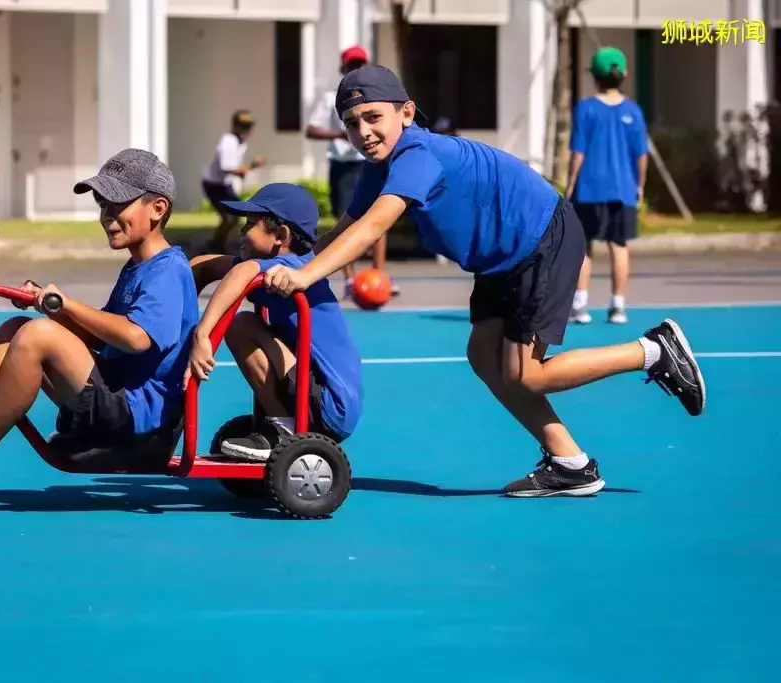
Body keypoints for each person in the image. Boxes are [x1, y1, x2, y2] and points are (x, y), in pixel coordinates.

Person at [260, 64, 706, 497]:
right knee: (483, 355)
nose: (363, 132)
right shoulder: (380, 166)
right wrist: (287, 265)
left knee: (525, 375)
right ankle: (570, 464)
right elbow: (347, 227)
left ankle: (652, 351)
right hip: (502, 259)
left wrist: (305, 276)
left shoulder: (417, 154)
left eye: (373, 117)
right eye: (352, 123)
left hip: (539, 239)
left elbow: (373, 227)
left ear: (406, 113)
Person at [0, 149, 200, 496]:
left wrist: (67, 305)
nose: (107, 215)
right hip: (118, 397)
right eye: (102, 204)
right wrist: (50, 307)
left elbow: (136, 338)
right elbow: (101, 337)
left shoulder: (168, 271)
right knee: (16, 328)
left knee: (37, 336)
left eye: (118, 203)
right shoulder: (138, 267)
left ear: (158, 208)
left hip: (141, 419)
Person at [188, 183, 362, 460]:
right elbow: (206, 265)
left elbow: (242, 271)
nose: (242, 232)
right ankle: (279, 423)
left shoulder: (293, 268)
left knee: (241, 324)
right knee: (244, 322)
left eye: (250, 225)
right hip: (314, 391)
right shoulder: (275, 266)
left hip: (330, 404)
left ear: (281, 235)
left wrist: (201, 335)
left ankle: (282, 430)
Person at [566, 46, 649, 325]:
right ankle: (618, 306)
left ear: (594, 77)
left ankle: (580, 305)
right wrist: (640, 186)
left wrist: (570, 185)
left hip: (588, 190)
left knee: (583, 248)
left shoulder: (585, 108)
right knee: (619, 246)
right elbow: (641, 155)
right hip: (622, 190)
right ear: (624, 74)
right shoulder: (633, 111)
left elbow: (578, 153)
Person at [305, 45, 397, 298]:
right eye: (351, 65)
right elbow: (311, 129)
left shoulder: (376, 96)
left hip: (370, 161)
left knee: (381, 215)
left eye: (359, 65)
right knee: (347, 220)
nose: (355, 69)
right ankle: (350, 279)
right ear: (342, 68)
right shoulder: (330, 99)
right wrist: (340, 132)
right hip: (343, 165)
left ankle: (379, 277)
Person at [201, 110, 266, 253]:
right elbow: (227, 167)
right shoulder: (228, 141)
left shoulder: (240, 143)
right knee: (229, 216)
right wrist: (252, 165)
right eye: (244, 126)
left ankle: (218, 243)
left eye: (249, 126)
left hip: (224, 184)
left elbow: (236, 169)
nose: (247, 130)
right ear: (235, 126)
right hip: (214, 184)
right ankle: (215, 245)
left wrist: (245, 170)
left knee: (235, 215)